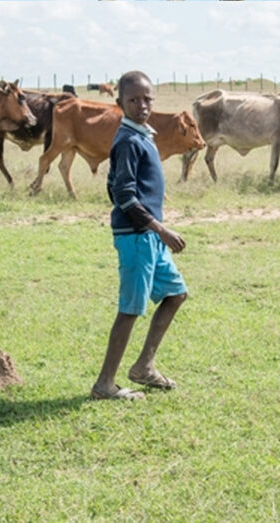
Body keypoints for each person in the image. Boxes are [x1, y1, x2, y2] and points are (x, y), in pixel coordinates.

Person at [91, 71, 188, 401]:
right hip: (138, 237)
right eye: (133, 100)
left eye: (147, 99)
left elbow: (113, 185)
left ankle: (144, 366)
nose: (142, 105)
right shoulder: (129, 141)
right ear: (120, 103)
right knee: (130, 309)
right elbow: (124, 196)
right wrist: (161, 228)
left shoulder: (144, 135)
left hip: (148, 236)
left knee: (175, 294)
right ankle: (104, 384)